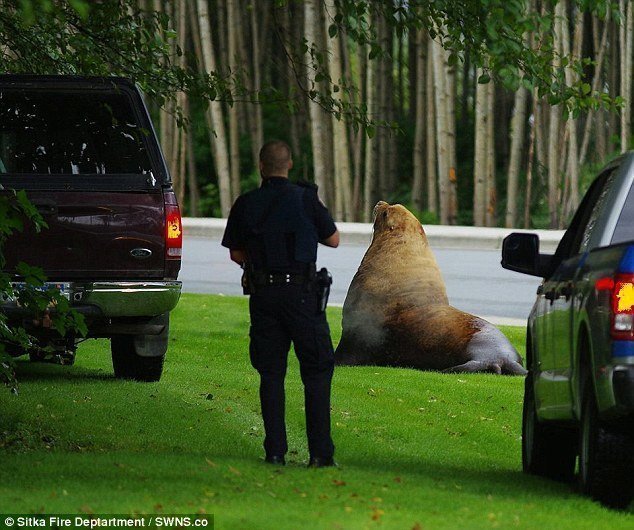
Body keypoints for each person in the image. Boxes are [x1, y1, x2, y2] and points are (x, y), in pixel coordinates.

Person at [221, 140, 340, 468]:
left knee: (271, 373)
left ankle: (275, 451)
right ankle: (320, 454)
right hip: (302, 296)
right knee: (316, 371)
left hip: (264, 297)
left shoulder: (246, 203)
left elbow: (235, 252)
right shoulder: (305, 198)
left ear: (261, 166)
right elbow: (333, 239)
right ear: (289, 165)